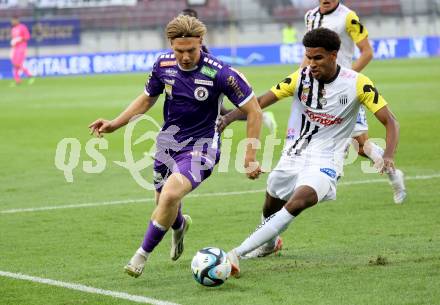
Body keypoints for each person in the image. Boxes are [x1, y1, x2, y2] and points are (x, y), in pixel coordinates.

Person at [89, 15, 263, 278]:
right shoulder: (163, 64)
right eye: (179, 50)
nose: (184, 56)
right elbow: (147, 99)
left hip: (203, 147)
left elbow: (254, 110)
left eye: (191, 50)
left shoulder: (221, 73)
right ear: (170, 43)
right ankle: (180, 226)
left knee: (170, 195)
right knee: (163, 203)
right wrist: (114, 124)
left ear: (201, 42)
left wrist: (250, 155)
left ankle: (141, 255)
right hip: (168, 144)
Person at [225, 28, 401, 276]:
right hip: (293, 155)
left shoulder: (358, 83)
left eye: (317, 58)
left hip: (326, 160)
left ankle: (236, 254)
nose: (311, 63)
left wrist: (389, 155)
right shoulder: (299, 78)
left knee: (299, 201)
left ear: (333, 55)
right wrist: (228, 118)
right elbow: (259, 102)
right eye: (308, 57)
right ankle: (269, 244)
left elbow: (391, 121)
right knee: (271, 203)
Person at [303, 0, 406, 204]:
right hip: (319, 90)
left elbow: (367, 51)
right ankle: (393, 176)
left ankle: (326, 182)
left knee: (355, 144)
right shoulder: (310, 16)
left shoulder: (348, 17)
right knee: (361, 147)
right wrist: (303, 79)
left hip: (344, 92)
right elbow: (309, 55)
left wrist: (347, 80)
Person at [181, 7, 279, 137]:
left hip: (206, 87)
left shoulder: (198, 47)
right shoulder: (186, 43)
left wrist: (205, 79)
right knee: (222, 112)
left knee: (188, 106)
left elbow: (210, 70)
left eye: (183, 18)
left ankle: (171, 144)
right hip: (201, 86)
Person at [10, 16, 34, 86]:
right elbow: (14, 40)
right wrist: (13, 43)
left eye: (14, 20)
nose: (12, 22)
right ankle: (17, 80)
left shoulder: (22, 27)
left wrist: (19, 39)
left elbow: (27, 37)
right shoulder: (13, 29)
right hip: (15, 48)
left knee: (17, 64)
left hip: (22, 48)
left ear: (17, 20)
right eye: (12, 21)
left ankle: (30, 75)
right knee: (15, 64)